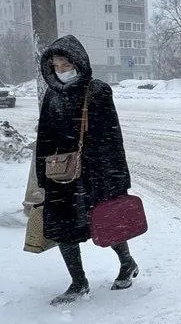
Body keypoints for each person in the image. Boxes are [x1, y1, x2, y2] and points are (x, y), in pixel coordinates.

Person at [34, 34, 139, 303]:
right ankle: (78, 282)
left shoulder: (97, 91)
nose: (60, 71)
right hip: (61, 175)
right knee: (62, 228)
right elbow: (44, 137)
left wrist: (118, 178)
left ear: (78, 63)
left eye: (65, 65)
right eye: (55, 66)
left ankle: (127, 264)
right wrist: (42, 178)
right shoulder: (51, 95)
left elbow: (113, 138)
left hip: (97, 173)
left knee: (108, 221)